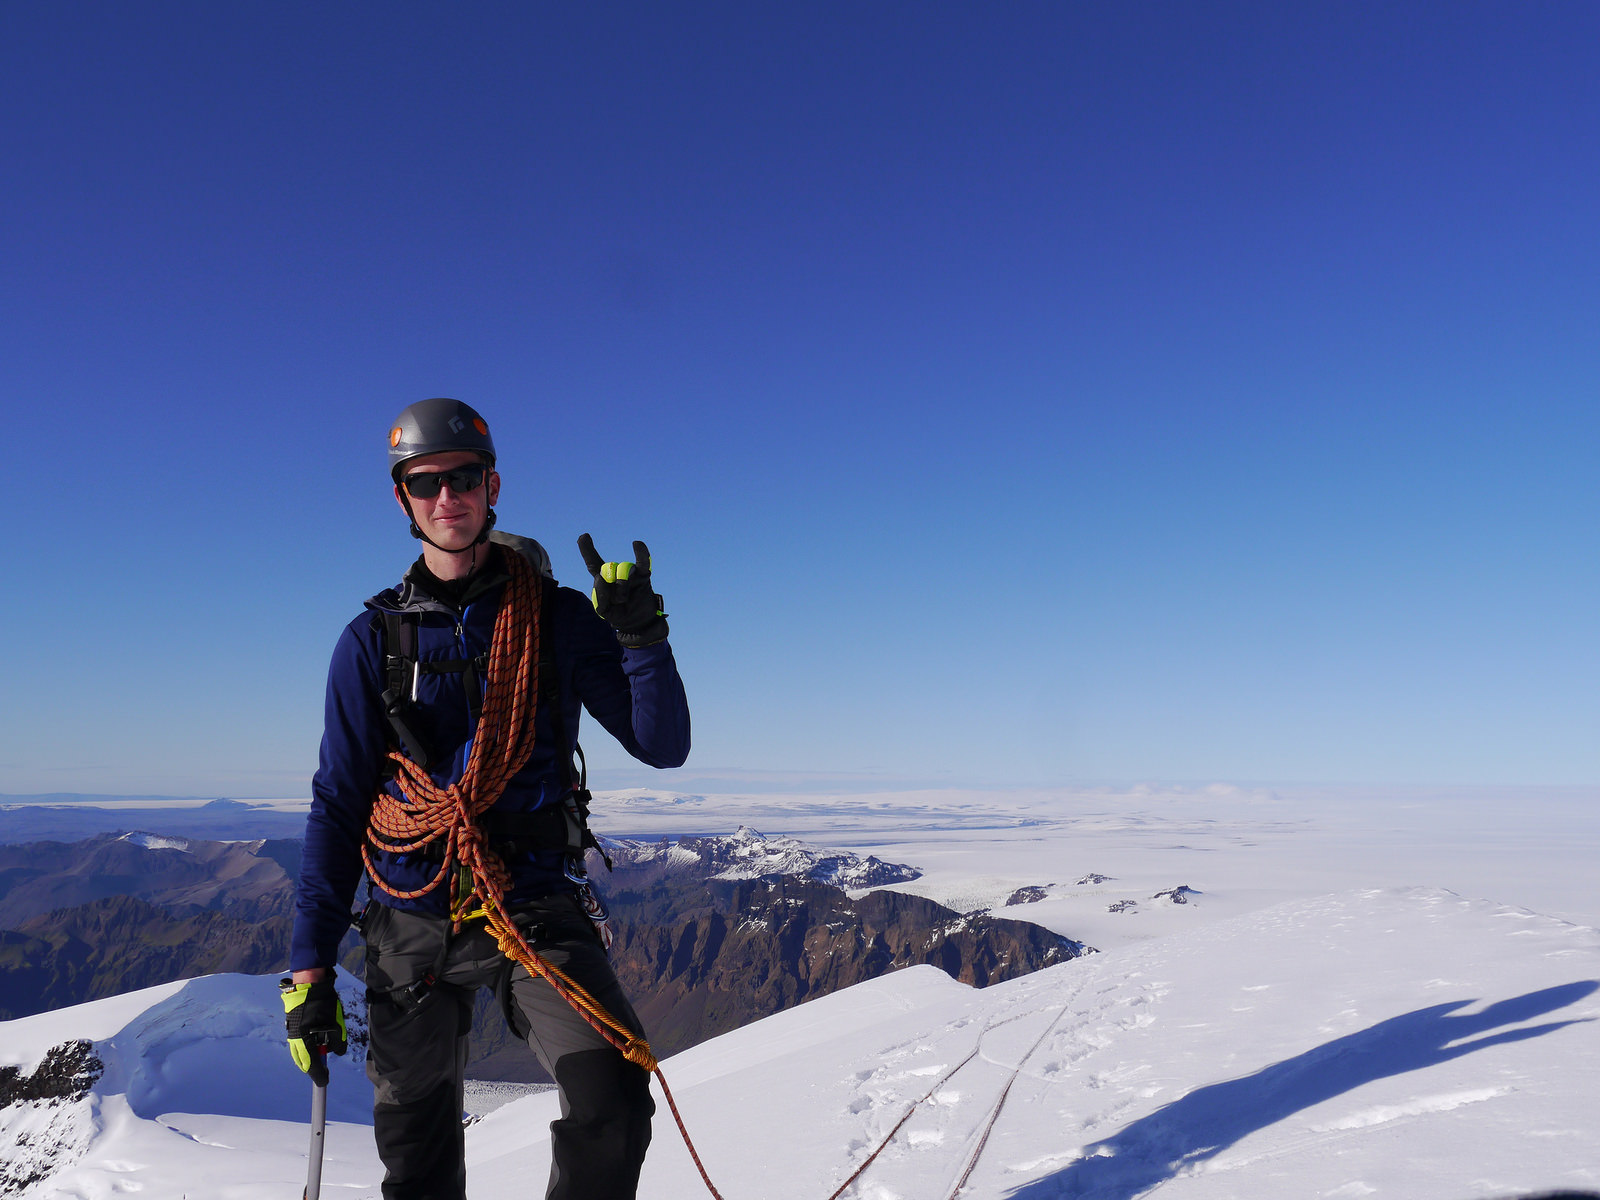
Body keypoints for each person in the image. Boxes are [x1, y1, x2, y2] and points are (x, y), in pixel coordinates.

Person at [282, 397, 690, 1200]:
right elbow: (339, 803)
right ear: (403, 499)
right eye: (425, 483)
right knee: (418, 1155)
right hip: (411, 913)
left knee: (613, 1101)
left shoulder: (559, 619)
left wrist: (642, 638)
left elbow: (661, 743)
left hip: (530, 901)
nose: (446, 497)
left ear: (491, 485)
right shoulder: (373, 641)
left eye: (462, 478)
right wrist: (310, 967)